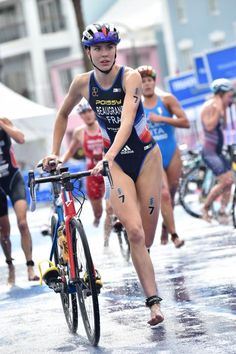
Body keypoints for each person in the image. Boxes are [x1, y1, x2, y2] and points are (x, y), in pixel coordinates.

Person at [43, 23, 164, 326]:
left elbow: (126, 122)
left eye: (109, 47)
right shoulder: (82, 84)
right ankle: (154, 305)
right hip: (118, 165)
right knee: (134, 233)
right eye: (98, 48)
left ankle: (142, 255)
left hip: (147, 157)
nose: (105, 53)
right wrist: (55, 152)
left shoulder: (131, 77)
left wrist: (106, 156)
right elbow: (61, 114)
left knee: (145, 237)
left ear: (115, 49)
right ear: (88, 52)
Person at [138, 65, 189, 248]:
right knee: (164, 195)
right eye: (142, 81)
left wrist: (163, 119)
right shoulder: (135, 105)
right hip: (153, 156)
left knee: (172, 194)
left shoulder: (167, 100)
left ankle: (166, 226)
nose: (147, 84)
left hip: (172, 153)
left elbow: (185, 122)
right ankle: (175, 236)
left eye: (149, 80)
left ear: (154, 82)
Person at [61, 99, 113, 245]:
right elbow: (70, 151)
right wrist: (59, 163)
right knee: (99, 212)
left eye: (90, 111)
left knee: (110, 208)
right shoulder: (79, 132)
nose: (88, 115)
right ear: (81, 116)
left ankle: (106, 242)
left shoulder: (104, 127)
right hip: (91, 174)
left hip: (107, 171)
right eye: (84, 113)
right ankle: (97, 218)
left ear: (94, 112)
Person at [0, 117, 39, 286]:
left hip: (13, 179)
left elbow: (21, 139)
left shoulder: (4, 122)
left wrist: (2, 125)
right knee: (4, 232)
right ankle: (10, 265)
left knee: (22, 223)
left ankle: (30, 266)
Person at [200, 78, 234, 222]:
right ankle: (205, 207)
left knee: (230, 180)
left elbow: (224, 127)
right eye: (228, 96)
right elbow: (209, 126)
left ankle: (222, 210)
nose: (230, 99)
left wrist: (224, 109)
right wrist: (218, 110)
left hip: (217, 151)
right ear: (220, 94)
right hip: (209, 151)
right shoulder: (210, 106)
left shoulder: (221, 105)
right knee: (225, 181)